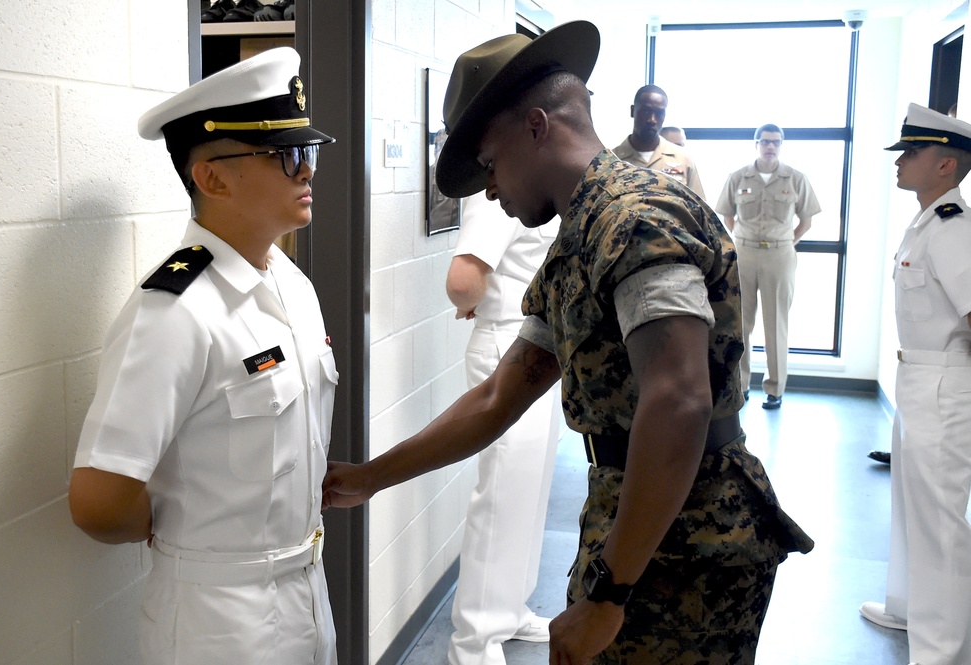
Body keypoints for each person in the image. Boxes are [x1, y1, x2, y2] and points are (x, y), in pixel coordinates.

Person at [324, 21, 813, 663]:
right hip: (640, 525)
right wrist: (370, 478)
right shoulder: (582, 235)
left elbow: (681, 400)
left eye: (491, 165)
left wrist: (610, 596)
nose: (491, 188)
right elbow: (501, 394)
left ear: (536, 127)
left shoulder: (634, 221)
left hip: (687, 544)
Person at [68, 47, 339, 665]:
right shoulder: (173, 311)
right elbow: (99, 500)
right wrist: (194, 538)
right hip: (216, 619)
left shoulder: (291, 284)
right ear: (213, 178)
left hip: (307, 590)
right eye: (287, 156)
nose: (307, 173)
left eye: (309, 153)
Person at [859, 103, 971, 665]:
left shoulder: (954, 229)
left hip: (945, 387)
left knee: (939, 521)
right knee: (910, 505)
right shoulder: (928, 219)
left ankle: (944, 650)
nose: (901, 161)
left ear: (946, 164)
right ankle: (906, 607)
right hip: (918, 378)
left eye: (913, 152)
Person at [445, 191, 562, 664]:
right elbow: (462, 281)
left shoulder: (529, 185)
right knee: (501, 497)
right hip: (507, 348)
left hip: (537, 346)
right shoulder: (494, 193)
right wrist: (474, 299)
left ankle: (511, 608)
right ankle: (474, 643)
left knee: (527, 494)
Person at [715, 124, 820, 410]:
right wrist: (745, 239)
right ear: (756, 144)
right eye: (765, 141)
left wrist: (786, 241)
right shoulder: (738, 177)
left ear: (781, 145)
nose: (770, 146)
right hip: (745, 254)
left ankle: (775, 389)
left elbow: (806, 221)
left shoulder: (796, 178)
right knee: (741, 323)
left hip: (779, 255)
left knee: (776, 324)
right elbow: (727, 215)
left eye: (776, 142)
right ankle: (742, 385)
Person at [612, 85, 705, 198]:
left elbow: (698, 209)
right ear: (632, 111)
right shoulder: (613, 161)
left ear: (664, 116)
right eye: (646, 111)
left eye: (659, 113)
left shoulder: (683, 159)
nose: (652, 119)